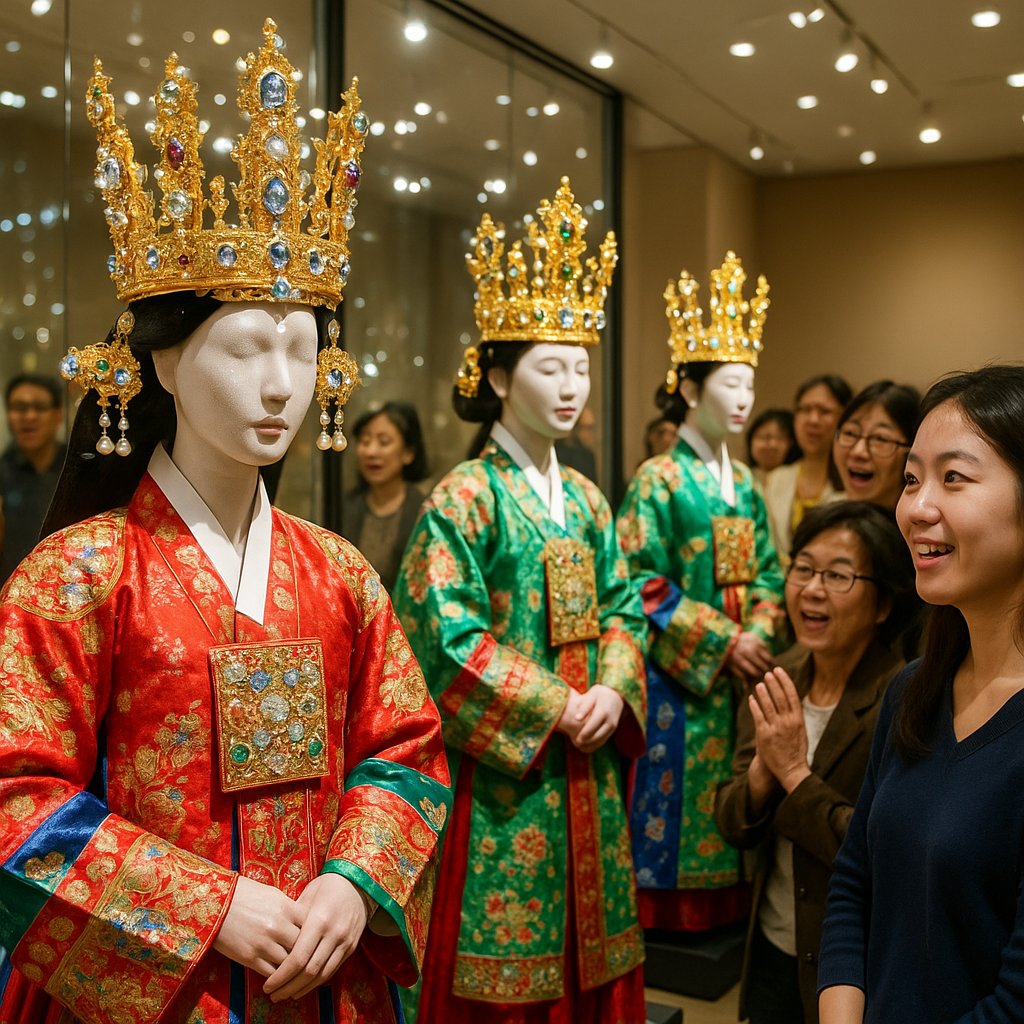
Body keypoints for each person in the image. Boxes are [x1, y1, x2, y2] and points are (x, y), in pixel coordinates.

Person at [0, 23, 450, 1024]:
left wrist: (350, 882)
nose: (283, 383)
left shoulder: (339, 573)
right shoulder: (73, 576)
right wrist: (207, 906)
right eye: (247, 347)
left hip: (321, 977)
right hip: (164, 988)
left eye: (303, 348)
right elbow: (14, 796)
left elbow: (407, 749)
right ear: (160, 360)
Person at [393, 179, 648, 1023]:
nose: (571, 384)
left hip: (589, 765)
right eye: (550, 365)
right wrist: (559, 707)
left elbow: (623, 603)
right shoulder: (463, 496)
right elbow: (442, 641)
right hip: (510, 776)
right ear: (499, 375)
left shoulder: (588, 496)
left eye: (580, 366)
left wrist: (612, 688)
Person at [818, 365, 1024, 1023]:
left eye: (953, 478)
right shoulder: (910, 691)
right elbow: (855, 885)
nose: (915, 507)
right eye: (911, 479)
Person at [617, 252, 786, 932]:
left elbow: (773, 569)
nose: (744, 399)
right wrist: (724, 640)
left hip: (742, 675)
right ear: (690, 390)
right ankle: (666, 915)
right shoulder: (657, 478)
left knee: (740, 776)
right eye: (730, 384)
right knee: (675, 793)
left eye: (749, 385)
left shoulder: (744, 483)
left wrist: (763, 636)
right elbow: (636, 577)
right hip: (676, 679)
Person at [715, 501, 917, 1024]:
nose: (812, 589)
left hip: (851, 966)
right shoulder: (778, 676)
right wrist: (762, 773)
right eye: (803, 569)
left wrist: (793, 775)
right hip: (769, 944)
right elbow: (732, 821)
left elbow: (883, 852)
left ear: (883, 604)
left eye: (838, 575)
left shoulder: (905, 699)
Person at [763, 375, 851, 559]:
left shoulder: (852, 483)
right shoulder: (777, 478)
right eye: (804, 409)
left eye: (824, 411)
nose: (813, 420)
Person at [346, 401, 429, 591]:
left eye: (384, 442)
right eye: (365, 441)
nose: (371, 451)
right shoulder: (344, 507)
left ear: (408, 453)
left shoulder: (424, 512)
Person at [0, 373, 67, 583]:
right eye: (19, 408)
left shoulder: (76, 470)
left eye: (39, 407)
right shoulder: (2, 471)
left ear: (57, 415)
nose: (29, 416)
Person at [832, 380, 921, 513]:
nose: (858, 452)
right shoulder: (826, 519)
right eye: (850, 433)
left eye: (880, 438)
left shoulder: (919, 528)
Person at [746, 407, 799, 485]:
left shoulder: (799, 480)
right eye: (765, 437)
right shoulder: (741, 479)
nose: (772, 445)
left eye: (780, 438)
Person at [555, 404, 598, 480]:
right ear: (575, 428)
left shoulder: (588, 456)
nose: (590, 434)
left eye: (591, 428)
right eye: (586, 428)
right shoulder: (556, 453)